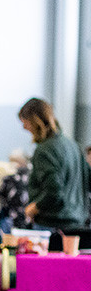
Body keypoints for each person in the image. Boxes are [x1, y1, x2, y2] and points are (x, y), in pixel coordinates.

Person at [17, 97, 91, 231]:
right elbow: (88, 181)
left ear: (35, 121)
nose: (24, 127)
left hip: (52, 223)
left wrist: (34, 207)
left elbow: (54, 191)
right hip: (77, 222)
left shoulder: (44, 150)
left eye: (25, 122)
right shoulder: (73, 145)